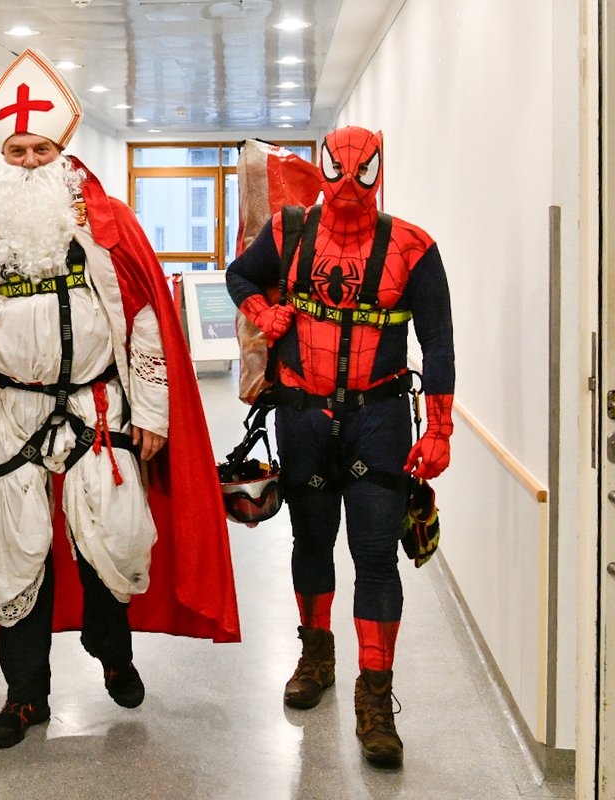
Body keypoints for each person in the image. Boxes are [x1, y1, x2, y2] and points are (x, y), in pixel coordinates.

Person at [0, 49, 239, 750]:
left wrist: (151, 410)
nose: (29, 161)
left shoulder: (108, 226)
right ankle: (24, 695)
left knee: (111, 545)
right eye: (18, 150)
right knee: (17, 555)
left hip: (98, 414)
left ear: (63, 152)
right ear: (1, 158)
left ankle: (110, 646)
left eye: (41, 149)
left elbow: (146, 319)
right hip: (9, 417)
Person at [226, 125, 455, 768]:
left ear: (379, 170)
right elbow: (239, 274)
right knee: (311, 541)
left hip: (380, 418)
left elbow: (437, 342)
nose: (350, 185)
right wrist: (264, 316)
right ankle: (315, 656)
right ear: (323, 169)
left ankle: (376, 697)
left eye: (364, 172)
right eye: (339, 171)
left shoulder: (413, 248)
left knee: (377, 556)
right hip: (302, 414)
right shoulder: (289, 232)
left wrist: (439, 428)